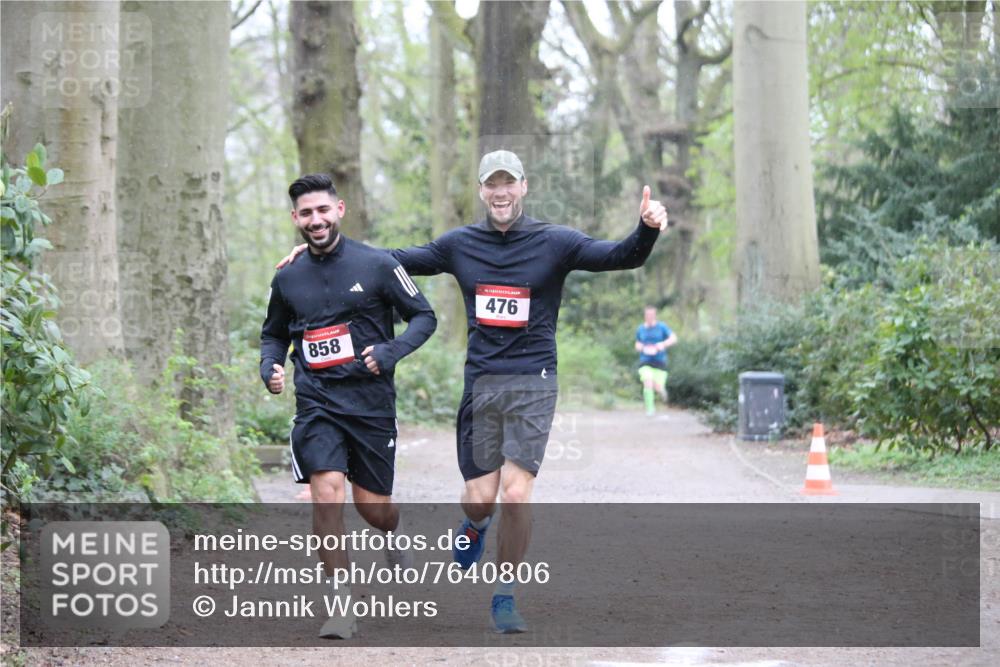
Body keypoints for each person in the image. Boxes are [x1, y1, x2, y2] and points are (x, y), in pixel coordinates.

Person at [279, 150, 669, 633]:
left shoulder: (556, 242)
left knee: (517, 492)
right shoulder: (460, 245)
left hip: (533, 381)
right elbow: (383, 264)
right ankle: (476, 526)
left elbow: (619, 256)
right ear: (482, 191)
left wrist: (647, 227)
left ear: (523, 187)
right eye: (492, 184)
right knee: (480, 500)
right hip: (482, 382)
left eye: (509, 183)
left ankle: (505, 595)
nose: (500, 192)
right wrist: (317, 254)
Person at [261, 173, 436, 639]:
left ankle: (393, 534)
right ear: (295, 219)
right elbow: (275, 332)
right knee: (327, 491)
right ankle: (341, 605)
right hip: (317, 404)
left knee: (373, 509)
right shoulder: (288, 275)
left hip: (371, 405)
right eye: (305, 213)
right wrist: (270, 366)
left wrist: (390, 351)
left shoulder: (376, 265)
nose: (315, 220)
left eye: (322, 210)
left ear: (339, 209)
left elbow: (425, 316)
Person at [635, 305, 678, 416]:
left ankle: (663, 393)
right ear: (644, 316)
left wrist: (662, 344)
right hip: (645, 361)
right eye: (647, 315)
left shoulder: (662, 327)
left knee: (658, 387)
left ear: (654, 316)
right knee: (647, 381)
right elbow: (638, 343)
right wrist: (640, 347)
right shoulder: (641, 329)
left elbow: (674, 338)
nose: (649, 317)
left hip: (659, 362)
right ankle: (650, 409)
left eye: (651, 315)